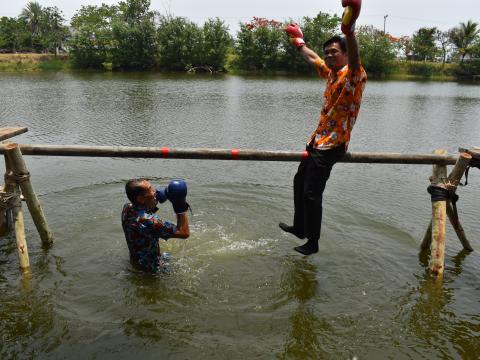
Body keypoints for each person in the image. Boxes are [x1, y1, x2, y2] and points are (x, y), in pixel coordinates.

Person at [279, 0, 367, 255]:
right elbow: (313, 58)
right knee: (299, 182)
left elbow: (355, 54)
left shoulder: (354, 74)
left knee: (312, 193)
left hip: (333, 144)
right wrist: (299, 41)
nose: (329, 55)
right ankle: (299, 226)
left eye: (334, 52)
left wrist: (349, 30)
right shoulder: (330, 73)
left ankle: (313, 242)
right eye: (327, 52)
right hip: (317, 140)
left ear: (346, 54)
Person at [121, 178, 190, 272]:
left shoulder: (127, 208)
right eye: (150, 189)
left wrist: (156, 198)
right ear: (141, 198)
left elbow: (144, 211)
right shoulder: (148, 220)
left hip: (137, 261)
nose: (155, 191)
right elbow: (184, 233)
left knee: (167, 256)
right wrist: (180, 205)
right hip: (151, 268)